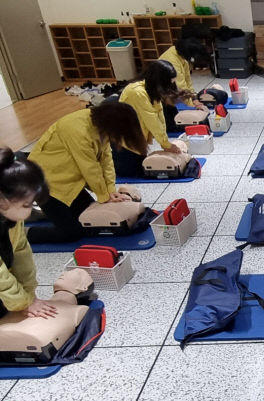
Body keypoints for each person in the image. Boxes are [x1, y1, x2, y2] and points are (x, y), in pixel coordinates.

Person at [27, 103, 148, 244]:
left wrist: (110, 191)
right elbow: (89, 167)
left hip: (70, 181)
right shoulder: (76, 128)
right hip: (45, 182)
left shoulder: (101, 127)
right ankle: (23, 235)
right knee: (72, 233)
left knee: (90, 218)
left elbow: (106, 160)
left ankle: (41, 215)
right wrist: (103, 196)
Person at [0, 147, 57, 319]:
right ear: (2, 200)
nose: (29, 212)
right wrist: (23, 302)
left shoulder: (11, 218)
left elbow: (21, 252)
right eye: (27, 205)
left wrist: (29, 294)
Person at [115, 60, 190, 177]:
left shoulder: (151, 90)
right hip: (123, 140)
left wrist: (165, 143)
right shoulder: (137, 93)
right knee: (131, 172)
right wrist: (166, 144)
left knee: (148, 167)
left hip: (137, 138)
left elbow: (159, 115)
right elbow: (152, 121)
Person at [159, 37, 211, 131]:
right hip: (159, 90)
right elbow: (180, 86)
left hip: (167, 88)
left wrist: (194, 98)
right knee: (167, 116)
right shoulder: (172, 59)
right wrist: (194, 103)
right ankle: (168, 125)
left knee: (172, 113)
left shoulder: (181, 57)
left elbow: (187, 80)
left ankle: (171, 122)